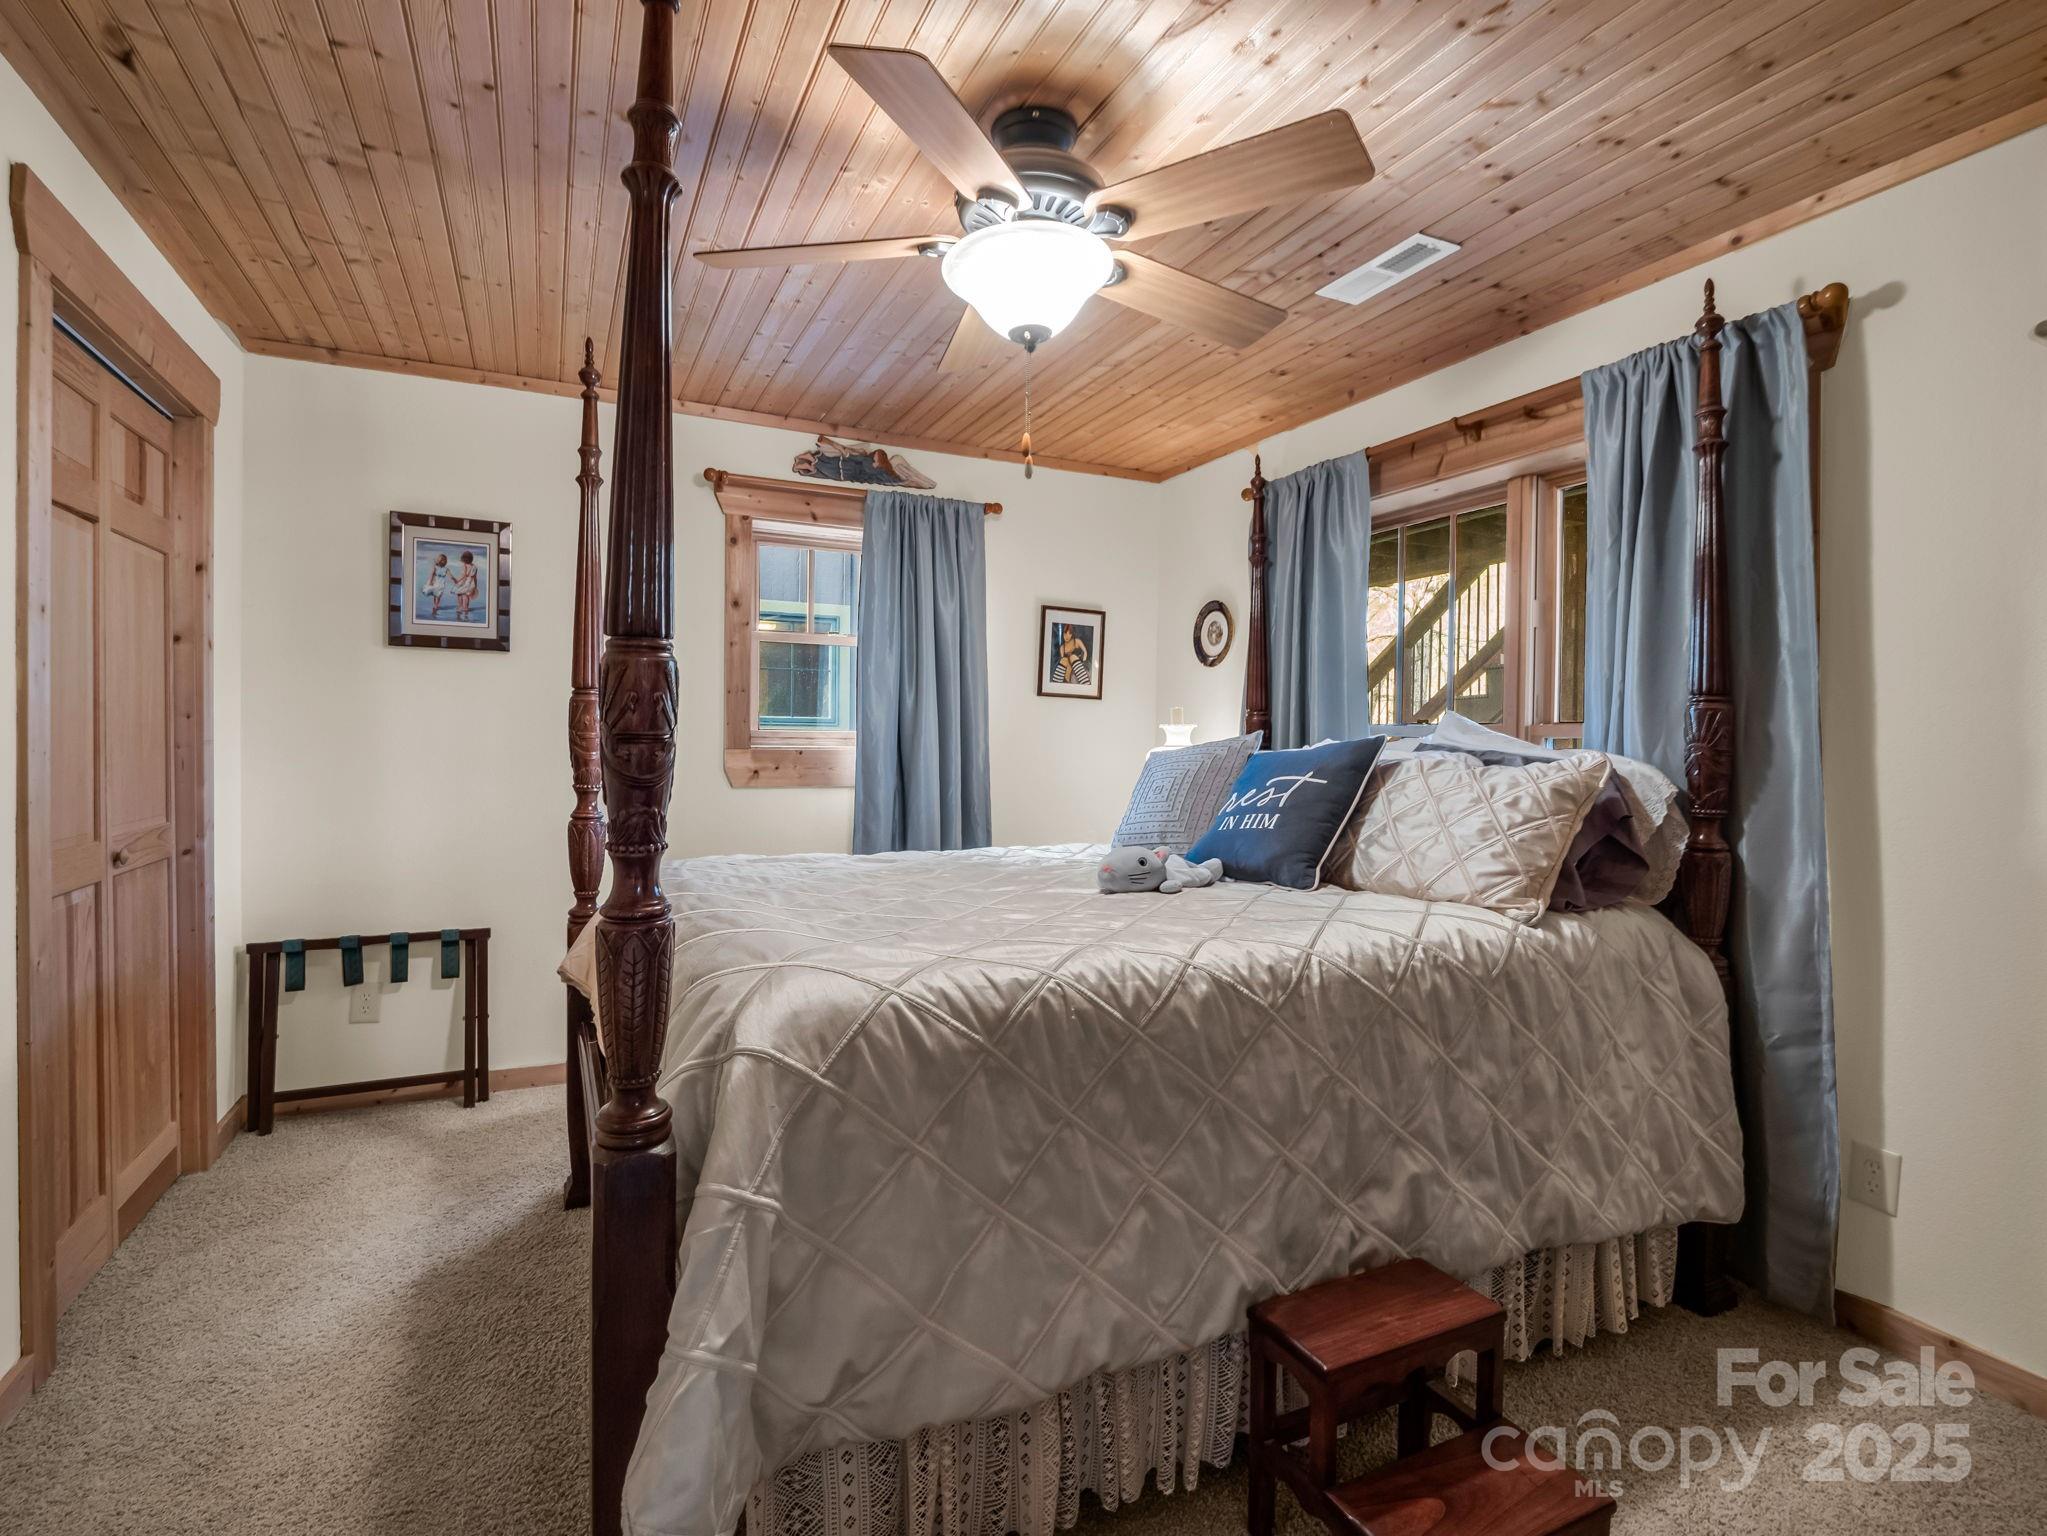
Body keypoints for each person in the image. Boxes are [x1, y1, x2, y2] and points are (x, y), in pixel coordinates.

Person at [420, 552, 451, 618]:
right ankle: (435, 605)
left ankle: (436, 605)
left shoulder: (446, 569)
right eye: (442, 560)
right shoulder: (435, 567)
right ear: (439, 560)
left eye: (445, 560)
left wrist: (454, 580)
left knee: (438, 595)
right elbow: (432, 574)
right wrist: (430, 582)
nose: (444, 561)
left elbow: (450, 576)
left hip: (441, 583)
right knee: (435, 595)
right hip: (435, 582)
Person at [452, 549, 480, 622]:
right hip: (471, 583)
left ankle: (460, 606)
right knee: (466, 595)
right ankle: (466, 607)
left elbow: (464, 575)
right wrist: (475, 586)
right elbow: (475, 577)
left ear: (464, 559)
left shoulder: (464, 565)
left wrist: (458, 581)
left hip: (465, 582)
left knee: (459, 593)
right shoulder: (475, 567)